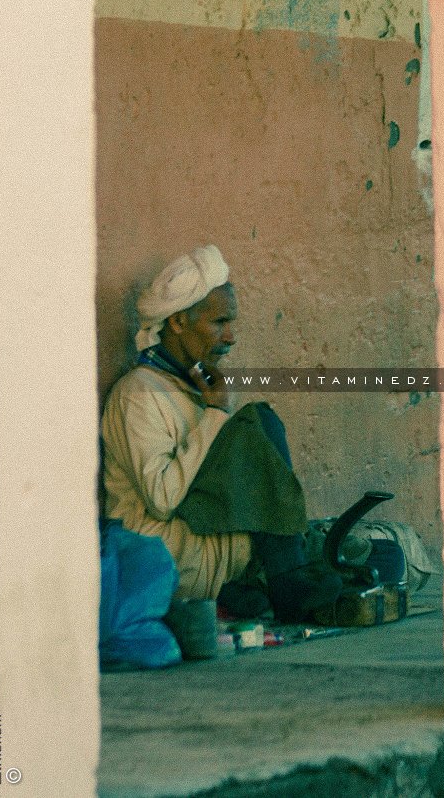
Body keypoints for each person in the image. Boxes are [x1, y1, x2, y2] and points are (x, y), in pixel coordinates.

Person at [101, 246, 349, 624]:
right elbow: (163, 499)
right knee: (259, 422)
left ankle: (271, 578)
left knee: (382, 557)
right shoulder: (137, 393)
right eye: (219, 322)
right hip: (162, 556)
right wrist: (216, 413)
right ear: (179, 322)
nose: (230, 337)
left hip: (206, 547)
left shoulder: (190, 386)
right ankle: (283, 580)